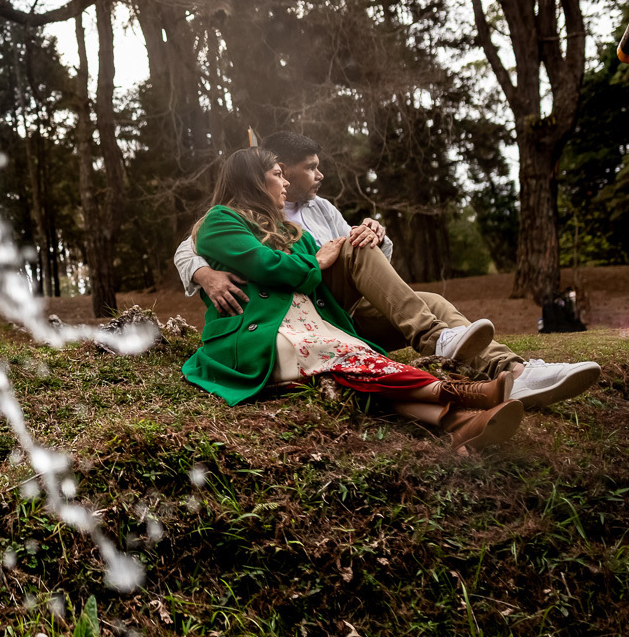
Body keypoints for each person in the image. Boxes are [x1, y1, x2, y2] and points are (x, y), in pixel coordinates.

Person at [174, 132, 602, 409]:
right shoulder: (247, 211)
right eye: (309, 167)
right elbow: (191, 245)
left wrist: (375, 234)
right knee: (353, 250)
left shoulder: (321, 209)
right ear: (278, 170)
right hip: (297, 315)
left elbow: (376, 269)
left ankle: (515, 373)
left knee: (426, 296)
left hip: (342, 311)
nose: (318, 175)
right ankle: (436, 339)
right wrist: (202, 274)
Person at [183, 147, 524, 453]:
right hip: (262, 335)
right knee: (355, 362)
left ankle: (459, 424)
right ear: (252, 181)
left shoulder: (291, 231)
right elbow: (269, 267)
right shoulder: (220, 221)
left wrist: (321, 260)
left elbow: (308, 276)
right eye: (277, 175)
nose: (285, 184)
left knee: (355, 367)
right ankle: (467, 394)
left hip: (308, 325)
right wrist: (315, 262)